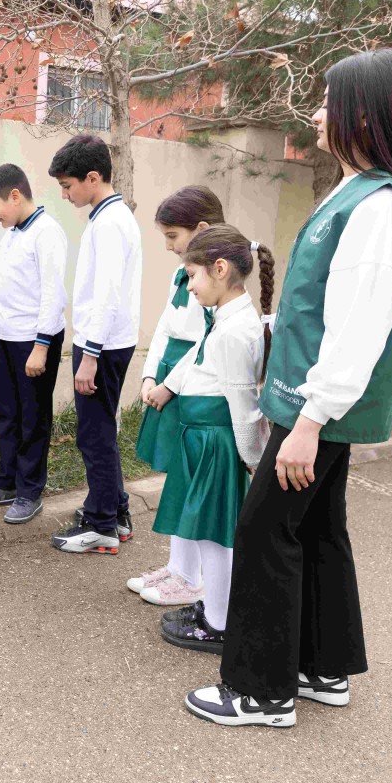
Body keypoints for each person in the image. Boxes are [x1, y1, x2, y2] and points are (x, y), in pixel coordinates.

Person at [186, 47, 392, 728]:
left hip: (316, 411)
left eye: (330, 99)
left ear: (366, 112)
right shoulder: (360, 192)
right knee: (319, 528)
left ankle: (260, 691)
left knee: (265, 529)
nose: (318, 111)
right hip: (312, 405)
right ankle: (322, 667)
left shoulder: (382, 207)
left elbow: (358, 330)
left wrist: (308, 421)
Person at [144, 225, 274, 655]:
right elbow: (197, 357)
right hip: (201, 440)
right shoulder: (224, 318)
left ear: (219, 270)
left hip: (217, 444)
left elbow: (244, 403)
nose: (190, 285)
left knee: (215, 537)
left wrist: (254, 456)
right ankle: (213, 609)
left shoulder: (236, 331)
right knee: (204, 532)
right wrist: (168, 386)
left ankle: (219, 623)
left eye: (192, 275)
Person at [127, 186, 224, 604]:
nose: (167, 246)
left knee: (192, 483)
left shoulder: (218, 279)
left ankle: (191, 577)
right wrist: (150, 375)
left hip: (193, 386)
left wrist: (169, 386)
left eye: (172, 236)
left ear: (201, 229)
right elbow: (166, 327)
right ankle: (179, 568)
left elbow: (207, 341)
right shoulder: (180, 274)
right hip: (170, 378)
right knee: (177, 479)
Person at [45, 134, 141, 554]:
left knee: (93, 436)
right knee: (102, 431)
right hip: (108, 342)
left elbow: (105, 295)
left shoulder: (109, 224)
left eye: (68, 186)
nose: (65, 195)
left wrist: (89, 358)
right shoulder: (110, 218)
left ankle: (101, 523)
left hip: (100, 346)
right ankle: (115, 513)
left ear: (93, 177)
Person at [0, 164, 68, 525]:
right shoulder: (10, 235)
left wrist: (41, 346)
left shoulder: (47, 233)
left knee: (32, 418)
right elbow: (6, 291)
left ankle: (29, 491)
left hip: (35, 341)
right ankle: (6, 481)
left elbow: (53, 294)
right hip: (9, 340)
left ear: (15, 195)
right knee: (6, 414)